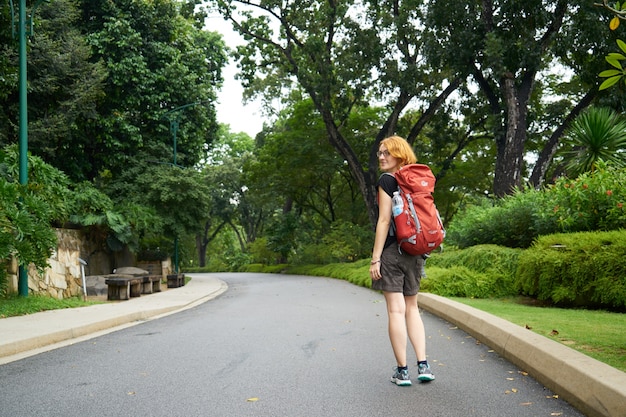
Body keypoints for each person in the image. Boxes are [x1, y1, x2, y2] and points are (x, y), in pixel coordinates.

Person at [369, 135, 435, 386]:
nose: (382, 157)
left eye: (387, 152)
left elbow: (384, 221)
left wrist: (376, 259)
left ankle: (403, 371)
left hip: (392, 252)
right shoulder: (416, 180)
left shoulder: (387, 180)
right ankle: (424, 365)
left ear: (399, 154)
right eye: (380, 153)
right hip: (416, 251)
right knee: (412, 309)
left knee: (396, 310)